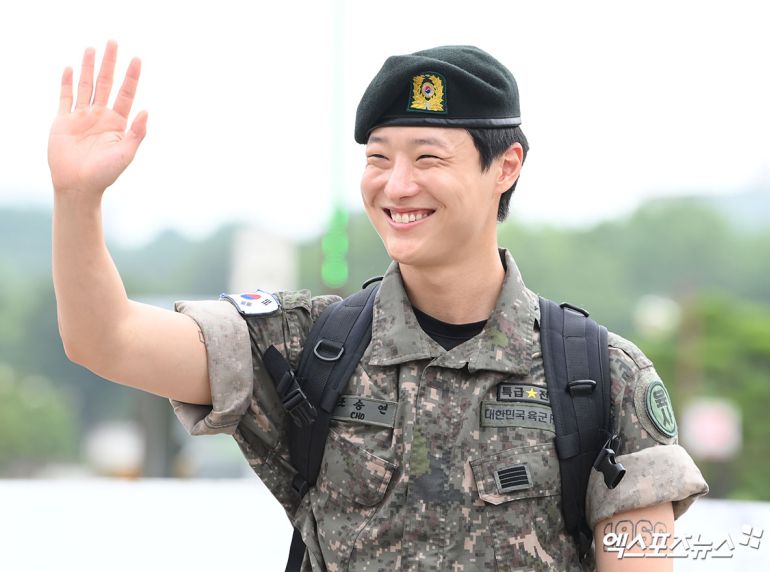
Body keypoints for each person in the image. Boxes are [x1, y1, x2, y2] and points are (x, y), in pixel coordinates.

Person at [50, 40, 709, 571]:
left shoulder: (600, 379)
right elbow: (107, 339)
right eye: (378, 158)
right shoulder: (307, 349)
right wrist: (78, 199)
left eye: (428, 158)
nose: (397, 185)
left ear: (506, 167)